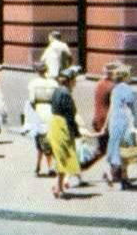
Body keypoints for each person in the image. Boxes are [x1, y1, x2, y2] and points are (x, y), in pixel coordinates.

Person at [49, 67, 81, 199]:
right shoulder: (66, 94)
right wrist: (75, 132)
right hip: (63, 126)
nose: (76, 83)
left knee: (60, 157)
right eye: (75, 80)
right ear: (70, 81)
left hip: (54, 124)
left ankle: (59, 186)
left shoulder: (56, 91)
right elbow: (70, 116)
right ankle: (58, 187)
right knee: (65, 156)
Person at [105, 65, 137, 189]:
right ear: (124, 76)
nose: (131, 77)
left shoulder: (115, 89)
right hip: (124, 121)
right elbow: (129, 106)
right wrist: (133, 125)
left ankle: (118, 176)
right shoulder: (126, 89)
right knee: (124, 151)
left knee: (115, 148)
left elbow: (112, 107)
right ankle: (123, 178)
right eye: (129, 75)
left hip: (114, 121)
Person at [24, 61, 57, 177]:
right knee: (48, 139)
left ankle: (48, 167)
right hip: (50, 110)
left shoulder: (33, 83)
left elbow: (32, 100)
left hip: (39, 110)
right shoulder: (53, 83)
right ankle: (40, 165)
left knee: (40, 140)